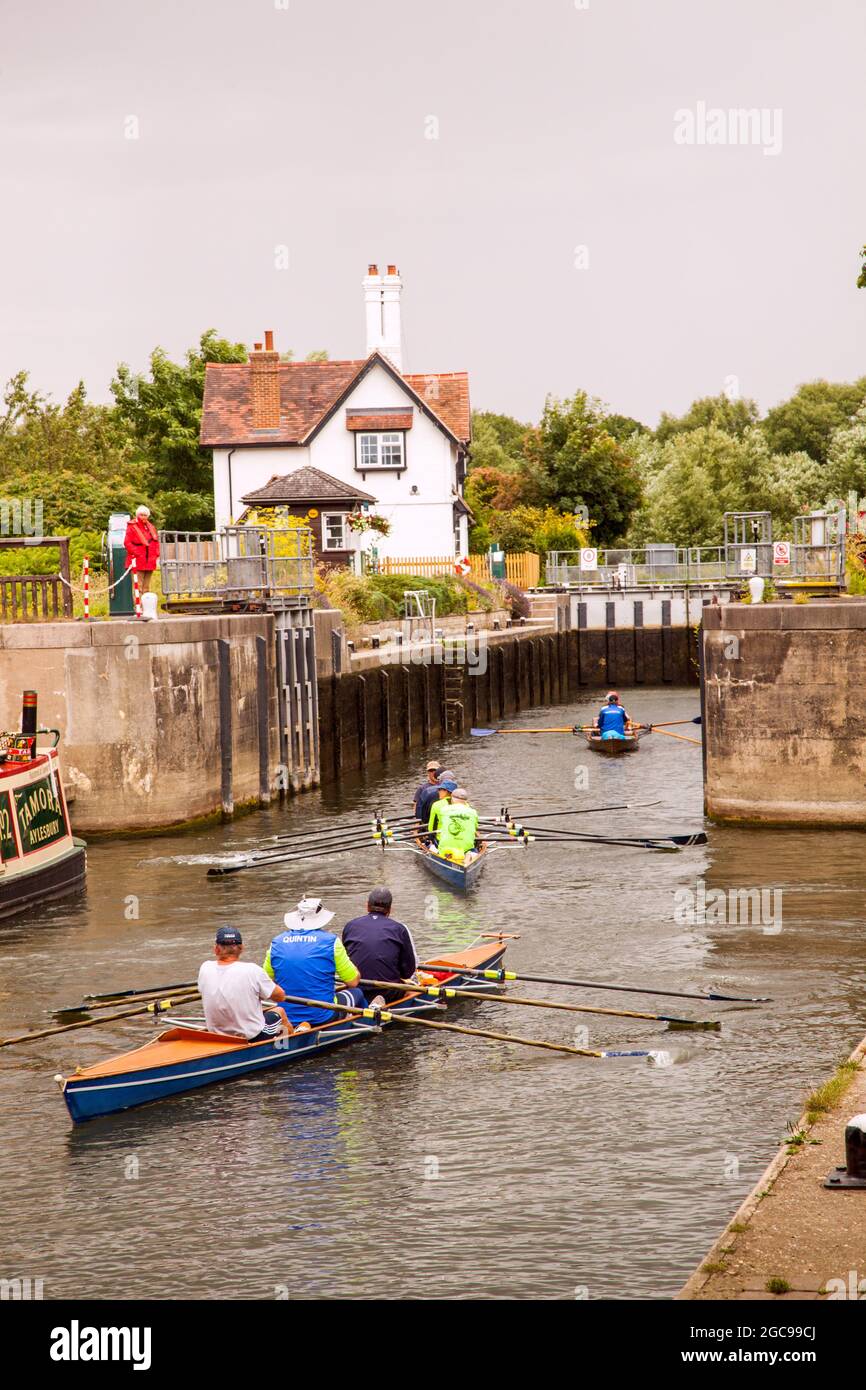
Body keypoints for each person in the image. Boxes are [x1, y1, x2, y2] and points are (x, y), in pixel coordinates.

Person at [263, 897, 365, 1031]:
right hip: (323, 1016)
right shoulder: (331, 941)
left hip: (287, 1015)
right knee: (357, 992)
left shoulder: (276, 943)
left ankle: (299, 1027)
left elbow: (265, 981)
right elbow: (352, 981)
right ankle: (370, 1021)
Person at [197, 925, 290, 1042]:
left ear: (216, 949)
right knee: (280, 1011)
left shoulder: (205, 967)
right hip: (251, 1036)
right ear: (241, 948)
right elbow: (280, 997)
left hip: (217, 1035)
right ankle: (291, 1045)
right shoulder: (253, 970)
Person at [342, 887, 419, 1009]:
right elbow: (407, 972)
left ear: (367, 906)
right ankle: (381, 1000)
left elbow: (345, 964)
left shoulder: (350, 926)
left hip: (357, 989)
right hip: (388, 991)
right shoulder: (399, 929)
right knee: (414, 990)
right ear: (390, 910)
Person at [431, 787, 479, 863]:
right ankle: (469, 856)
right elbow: (475, 829)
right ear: (465, 801)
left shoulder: (444, 810)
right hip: (465, 848)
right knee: (473, 849)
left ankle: (440, 854)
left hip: (446, 848)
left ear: (452, 799)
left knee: (432, 846)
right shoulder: (473, 812)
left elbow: (433, 827)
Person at [124, 505, 161, 593]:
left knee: (146, 588)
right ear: (137, 515)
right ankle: (138, 606)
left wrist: (157, 554)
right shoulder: (132, 526)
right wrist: (138, 553)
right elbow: (127, 543)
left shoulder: (151, 527)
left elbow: (156, 542)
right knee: (138, 587)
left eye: (145, 515)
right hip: (137, 561)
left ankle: (146, 606)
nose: (143, 517)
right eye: (141, 515)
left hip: (150, 561)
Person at [427, 775, 457, 842]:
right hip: (462, 840)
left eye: (440, 789)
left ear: (446, 791)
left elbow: (431, 829)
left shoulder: (436, 805)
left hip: (443, 841)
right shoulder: (465, 805)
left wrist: (431, 839)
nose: (438, 791)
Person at [413, 760, 442, 826]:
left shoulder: (445, 787)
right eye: (431, 771)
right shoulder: (422, 789)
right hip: (428, 820)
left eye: (435, 770)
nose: (433, 773)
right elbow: (416, 808)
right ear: (428, 773)